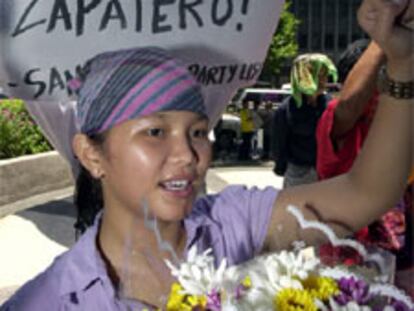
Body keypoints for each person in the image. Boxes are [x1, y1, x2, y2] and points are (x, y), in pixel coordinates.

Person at [2, 0, 413, 309]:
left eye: (198, 131)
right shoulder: (48, 300)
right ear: (92, 155)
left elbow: (366, 193)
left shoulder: (230, 225)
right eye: (156, 132)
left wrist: (404, 61)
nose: (187, 153)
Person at [316, 39, 414, 297]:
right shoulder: (340, 125)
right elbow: (349, 103)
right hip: (353, 271)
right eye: (382, 77)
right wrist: (385, 35)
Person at [272, 53, 337, 188]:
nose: (324, 81)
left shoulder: (330, 105)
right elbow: (280, 143)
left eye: (325, 76)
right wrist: (280, 167)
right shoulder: (286, 110)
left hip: (327, 173)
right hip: (298, 174)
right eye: (319, 76)